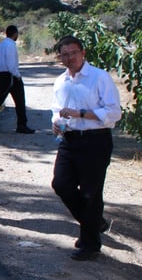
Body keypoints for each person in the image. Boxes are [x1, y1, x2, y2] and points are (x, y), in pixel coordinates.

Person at [50, 35, 122, 261]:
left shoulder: (99, 77)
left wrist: (80, 114)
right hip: (69, 140)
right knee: (61, 183)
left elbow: (113, 113)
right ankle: (93, 222)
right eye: (65, 55)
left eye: (73, 53)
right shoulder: (60, 81)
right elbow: (56, 109)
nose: (70, 58)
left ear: (83, 53)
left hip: (95, 140)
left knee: (91, 193)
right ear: (60, 58)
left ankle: (90, 244)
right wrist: (56, 123)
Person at [0, 25, 34, 134]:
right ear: (15, 34)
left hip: (1, 74)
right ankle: (21, 125)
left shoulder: (0, 45)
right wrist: (17, 75)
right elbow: (11, 64)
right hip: (10, 76)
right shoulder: (10, 45)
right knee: (20, 100)